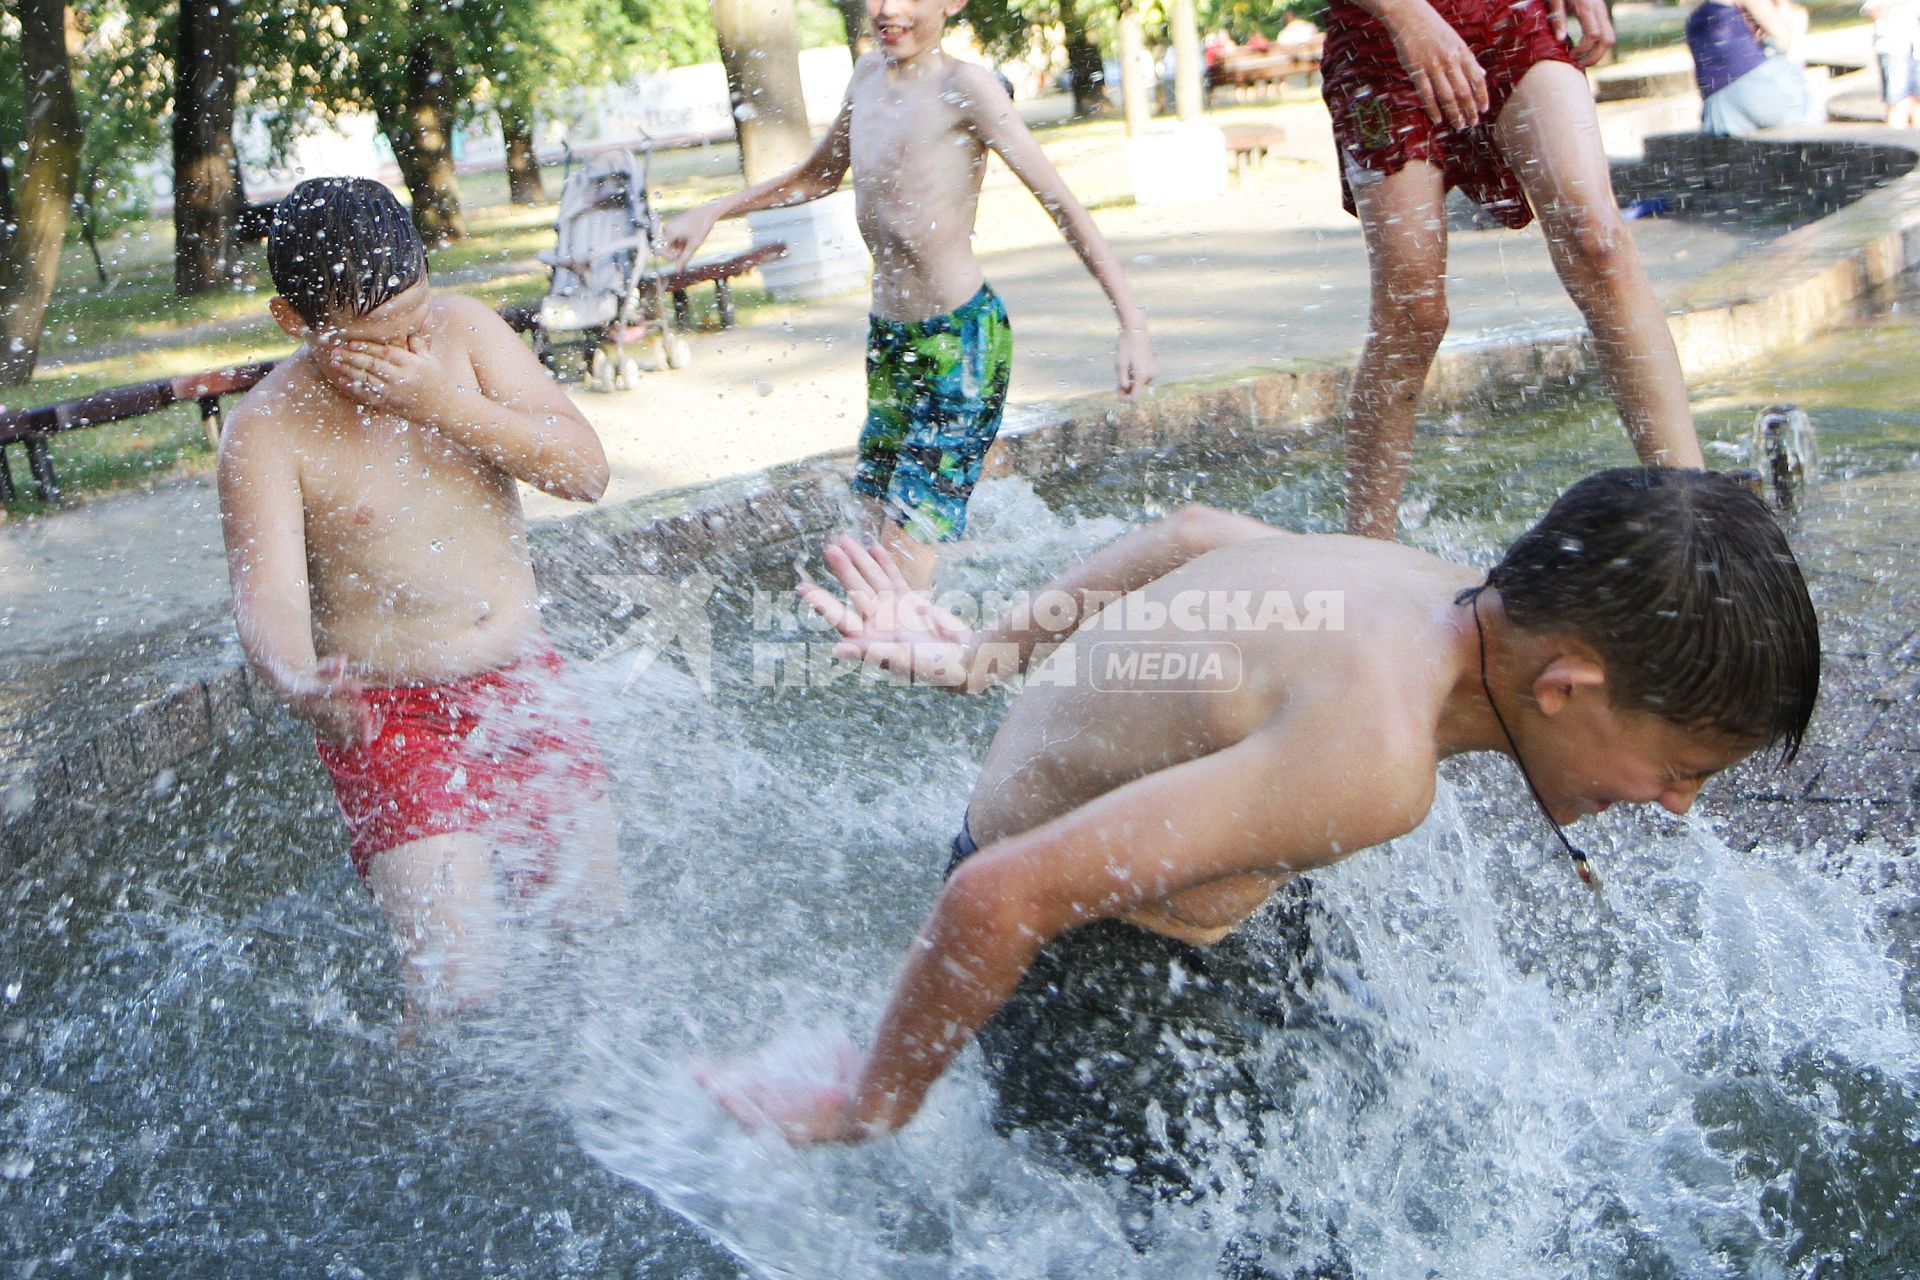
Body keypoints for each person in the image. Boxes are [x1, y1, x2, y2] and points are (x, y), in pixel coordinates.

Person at [711, 468, 1820, 1208]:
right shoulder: (1374, 765)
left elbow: (1200, 537)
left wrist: (987, 655)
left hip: (1188, 895)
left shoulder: (1422, 585)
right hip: (1086, 970)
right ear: (1569, 684)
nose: (1678, 805)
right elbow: (994, 899)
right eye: (1681, 770)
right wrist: (870, 1105)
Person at [217, 177, 623, 1032]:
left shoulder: (467, 337)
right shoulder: (269, 429)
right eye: (369, 344)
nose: (405, 350)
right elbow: (270, 596)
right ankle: (425, 1134)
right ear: (293, 321)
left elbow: (584, 471)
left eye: (416, 319)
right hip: (387, 714)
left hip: (519, 680)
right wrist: (296, 677)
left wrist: (443, 403)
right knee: (460, 989)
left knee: (587, 934)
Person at [659, 0, 1157, 593]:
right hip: (891, 338)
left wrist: (1132, 325)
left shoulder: (966, 88)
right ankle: (989, 592)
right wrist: (715, 209)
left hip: (962, 341)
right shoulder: (867, 75)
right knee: (874, 525)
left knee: (899, 559)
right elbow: (818, 176)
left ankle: (942, 650)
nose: (890, 10)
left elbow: (1063, 205)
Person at [1317, 0, 1707, 540]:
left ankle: (1694, 509)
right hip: (1381, 43)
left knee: (1600, 243)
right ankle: (1368, 543)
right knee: (1414, 313)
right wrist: (1409, 19)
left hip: (1509, 16)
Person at [1686, 0, 1823, 136]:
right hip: (1755, 90)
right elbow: (1781, 38)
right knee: (1810, 105)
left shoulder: (1694, 7)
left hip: (1716, 108)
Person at [1864, 0, 1920, 127]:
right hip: (1893, 48)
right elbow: (1872, 12)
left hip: (1916, 47)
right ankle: (1896, 135)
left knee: (1917, 99)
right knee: (1897, 100)